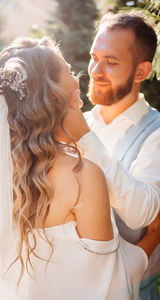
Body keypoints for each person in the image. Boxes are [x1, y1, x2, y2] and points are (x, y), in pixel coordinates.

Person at [0, 36, 159, 300]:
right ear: (51, 90)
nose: (78, 78)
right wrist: (152, 239)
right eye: (68, 70)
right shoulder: (82, 176)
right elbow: (110, 283)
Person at [65, 11, 160, 300]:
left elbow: (140, 216)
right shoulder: (79, 123)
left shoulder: (156, 133)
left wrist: (84, 137)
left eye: (111, 62)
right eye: (95, 57)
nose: (94, 70)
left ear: (142, 72)